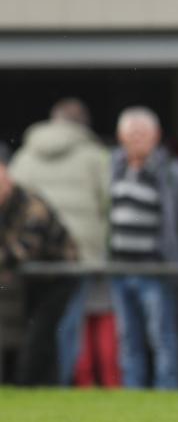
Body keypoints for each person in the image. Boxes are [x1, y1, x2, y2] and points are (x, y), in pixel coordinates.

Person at [9, 98, 111, 385]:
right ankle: (62, 383)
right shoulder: (95, 155)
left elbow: (12, 201)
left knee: (38, 323)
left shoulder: (26, 155)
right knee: (68, 323)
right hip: (76, 253)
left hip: (33, 253)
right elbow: (108, 203)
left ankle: (41, 381)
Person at [109, 107, 178, 389]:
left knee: (162, 335)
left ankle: (167, 389)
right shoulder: (112, 168)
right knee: (127, 337)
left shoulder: (173, 171)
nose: (137, 139)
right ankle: (132, 391)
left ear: (156, 136)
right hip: (118, 267)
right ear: (120, 137)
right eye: (131, 133)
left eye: (143, 133)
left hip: (156, 268)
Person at [0, 142, 79, 385]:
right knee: (35, 335)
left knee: (40, 335)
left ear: (6, 175)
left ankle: (29, 385)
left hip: (60, 277)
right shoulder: (7, 206)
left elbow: (24, 249)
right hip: (32, 280)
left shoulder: (32, 206)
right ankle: (43, 385)